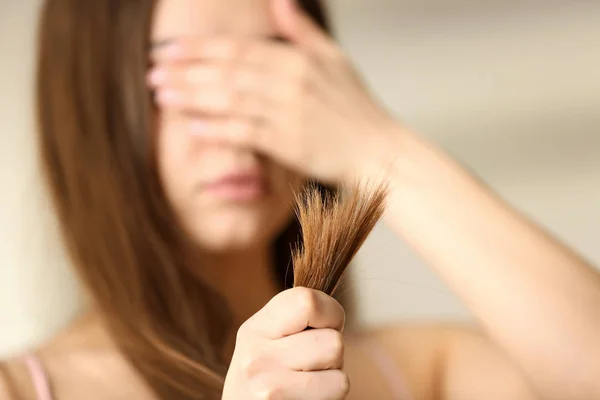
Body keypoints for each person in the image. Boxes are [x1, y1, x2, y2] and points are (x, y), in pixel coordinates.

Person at [1, 0, 599, 398]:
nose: (238, 126)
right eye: (188, 77)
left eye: (271, 77)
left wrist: (378, 146)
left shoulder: (426, 373)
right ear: (95, 106)